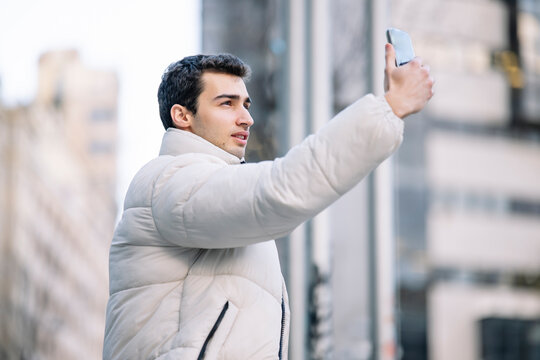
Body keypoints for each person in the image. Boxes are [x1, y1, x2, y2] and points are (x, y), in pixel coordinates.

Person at [103, 45, 433, 360]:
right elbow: (278, 191)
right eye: (226, 103)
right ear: (182, 115)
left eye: (246, 104)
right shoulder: (169, 180)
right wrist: (391, 106)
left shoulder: (206, 186)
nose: (246, 118)